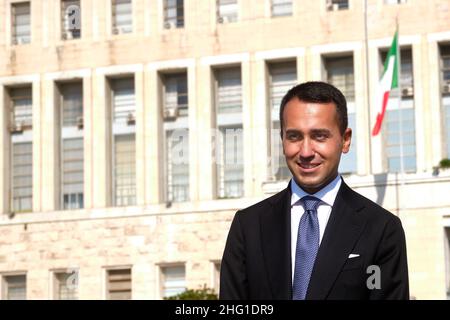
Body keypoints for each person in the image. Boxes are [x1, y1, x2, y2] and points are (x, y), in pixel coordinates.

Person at [219, 81, 409, 300]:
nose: (306, 151)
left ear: (345, 140)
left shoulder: (381, 229)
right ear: (282, 140)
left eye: (319, 136)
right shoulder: (248, 226)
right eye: (294, 136)